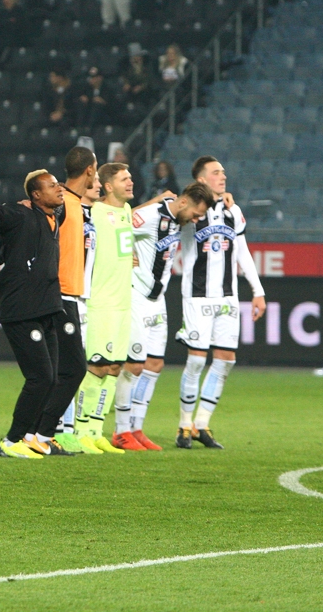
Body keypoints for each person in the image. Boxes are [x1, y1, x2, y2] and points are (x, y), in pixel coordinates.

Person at [111, 182, 216, 452]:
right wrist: (125, 253)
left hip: (158, 301)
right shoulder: (149, 216)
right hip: (136, 296)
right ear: (183, 203)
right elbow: (114, 225)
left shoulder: (178, 218)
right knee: (133, 366)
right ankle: (121, 431)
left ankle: (136, 427)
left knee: (154, 364)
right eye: (194, 214)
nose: (195, 220)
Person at [175, 156, 265, 449]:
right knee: (197, 360)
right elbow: (173, 214)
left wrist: (258, 291)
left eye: (223, 172)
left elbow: (242, 253)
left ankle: (202, 424)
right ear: (201, 180)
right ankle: (184, 425)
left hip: (228, 297)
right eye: (215, 173)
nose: (222, 177)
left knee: (226, 361)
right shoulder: (190, 209)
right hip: (198, 297)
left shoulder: (233, 211)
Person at [0, 170, 71, 459]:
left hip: (47, 308)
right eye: (52, 186)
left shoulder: (53, 217)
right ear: (35, 195)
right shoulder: (21, 215)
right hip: (22, 309)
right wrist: (14, 207)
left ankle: (29, 437)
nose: (59, 188)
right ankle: (10, 440)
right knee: (40, 377)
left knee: (50, 378)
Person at [73, 162, 135, 454]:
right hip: (100, 302)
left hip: (124, 303)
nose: (130, 182)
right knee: (96, 366)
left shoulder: (127, 211)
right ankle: (81, 429)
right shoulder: (95, 212)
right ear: (108, 186)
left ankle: (97, 430)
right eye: (125, 179)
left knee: (114, 367)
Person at [50, 147, 103, 454]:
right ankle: (53, 429)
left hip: (77, 294)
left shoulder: (82, 209)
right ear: (90, 171)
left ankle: (64, 430)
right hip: (61, 293)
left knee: (69, 367)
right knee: (67, 367)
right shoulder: (63, 204)